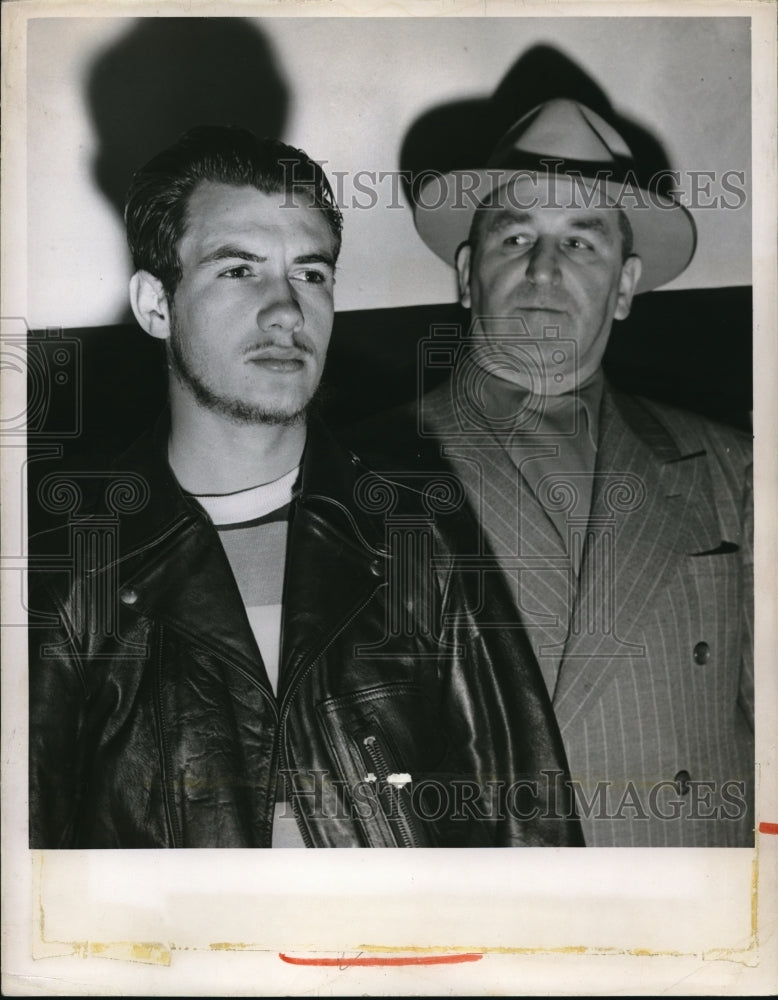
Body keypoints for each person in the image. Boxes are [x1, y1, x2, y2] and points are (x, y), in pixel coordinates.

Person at [28, 125, 584, 849]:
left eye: (311, 274)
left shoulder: (413, 535)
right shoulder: (69, 568)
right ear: (155, 304)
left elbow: (532, 824)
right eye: (239, 270)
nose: (287, 310)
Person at [355, 99, 754, 847]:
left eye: (581, 241)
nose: (544, 269)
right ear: (469, 275)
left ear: (626, 284)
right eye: (516, 237)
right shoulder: (354, 478)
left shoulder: (736, 468)